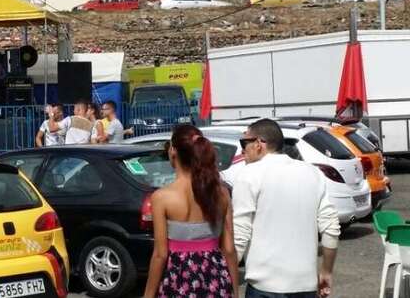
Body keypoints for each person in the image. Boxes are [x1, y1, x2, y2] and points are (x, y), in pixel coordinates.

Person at [233, 119, 340, 298]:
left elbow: (240, 234)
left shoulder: (248, 175)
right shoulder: (313, 173)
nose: (242, 151)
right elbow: (330, 228)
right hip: (305, 285)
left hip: (264, 287)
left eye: (244, 143)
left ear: (259, 144)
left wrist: (226, 278)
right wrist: (326, 272)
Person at [143, 124, 238, 298]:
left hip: (178, 279)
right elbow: (229, 249)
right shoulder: (221, 193)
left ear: (173, 151)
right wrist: (236, 292)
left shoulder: (162, 197)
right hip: (215, 277)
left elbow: (160, 254)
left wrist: (148, 294)